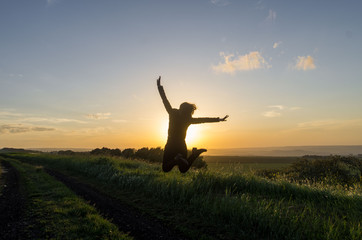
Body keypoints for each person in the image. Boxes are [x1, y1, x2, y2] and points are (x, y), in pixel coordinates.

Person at [157, 76, 228, 173]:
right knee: (183, 169)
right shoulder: (188, 119)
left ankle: (177, 159)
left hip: (170, 144)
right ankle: (194, 154)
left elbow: (164, 100)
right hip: (181, 145)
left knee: (165, 168)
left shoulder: (173, 113)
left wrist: (159, 87)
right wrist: (219, 119)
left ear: (181, 108)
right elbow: (204, 120)